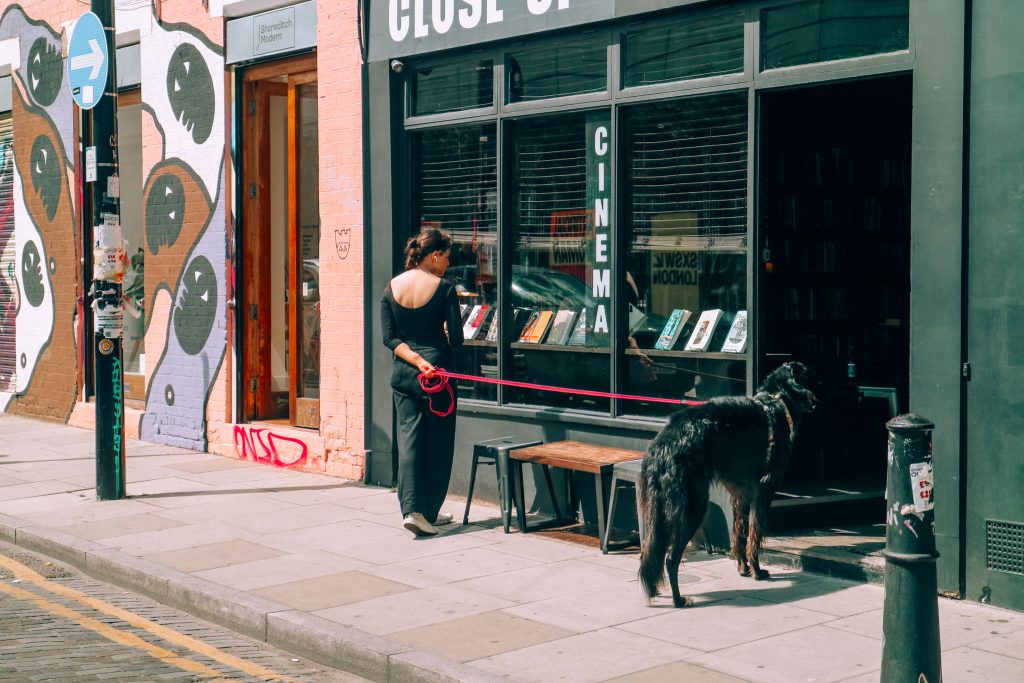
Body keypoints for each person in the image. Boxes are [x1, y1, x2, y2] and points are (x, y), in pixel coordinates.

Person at [380, 227, 464, 537]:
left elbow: (389, 338)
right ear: (434, 255)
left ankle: (414, 510)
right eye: (446, 258)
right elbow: (456, 339)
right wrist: (431, 354)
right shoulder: (444, 289)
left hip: (404, 373)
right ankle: (424, 511)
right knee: (439, 443)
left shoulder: (391, 287)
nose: (447, 265)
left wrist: (415, 360)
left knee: (410, 440)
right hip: (437, 376)